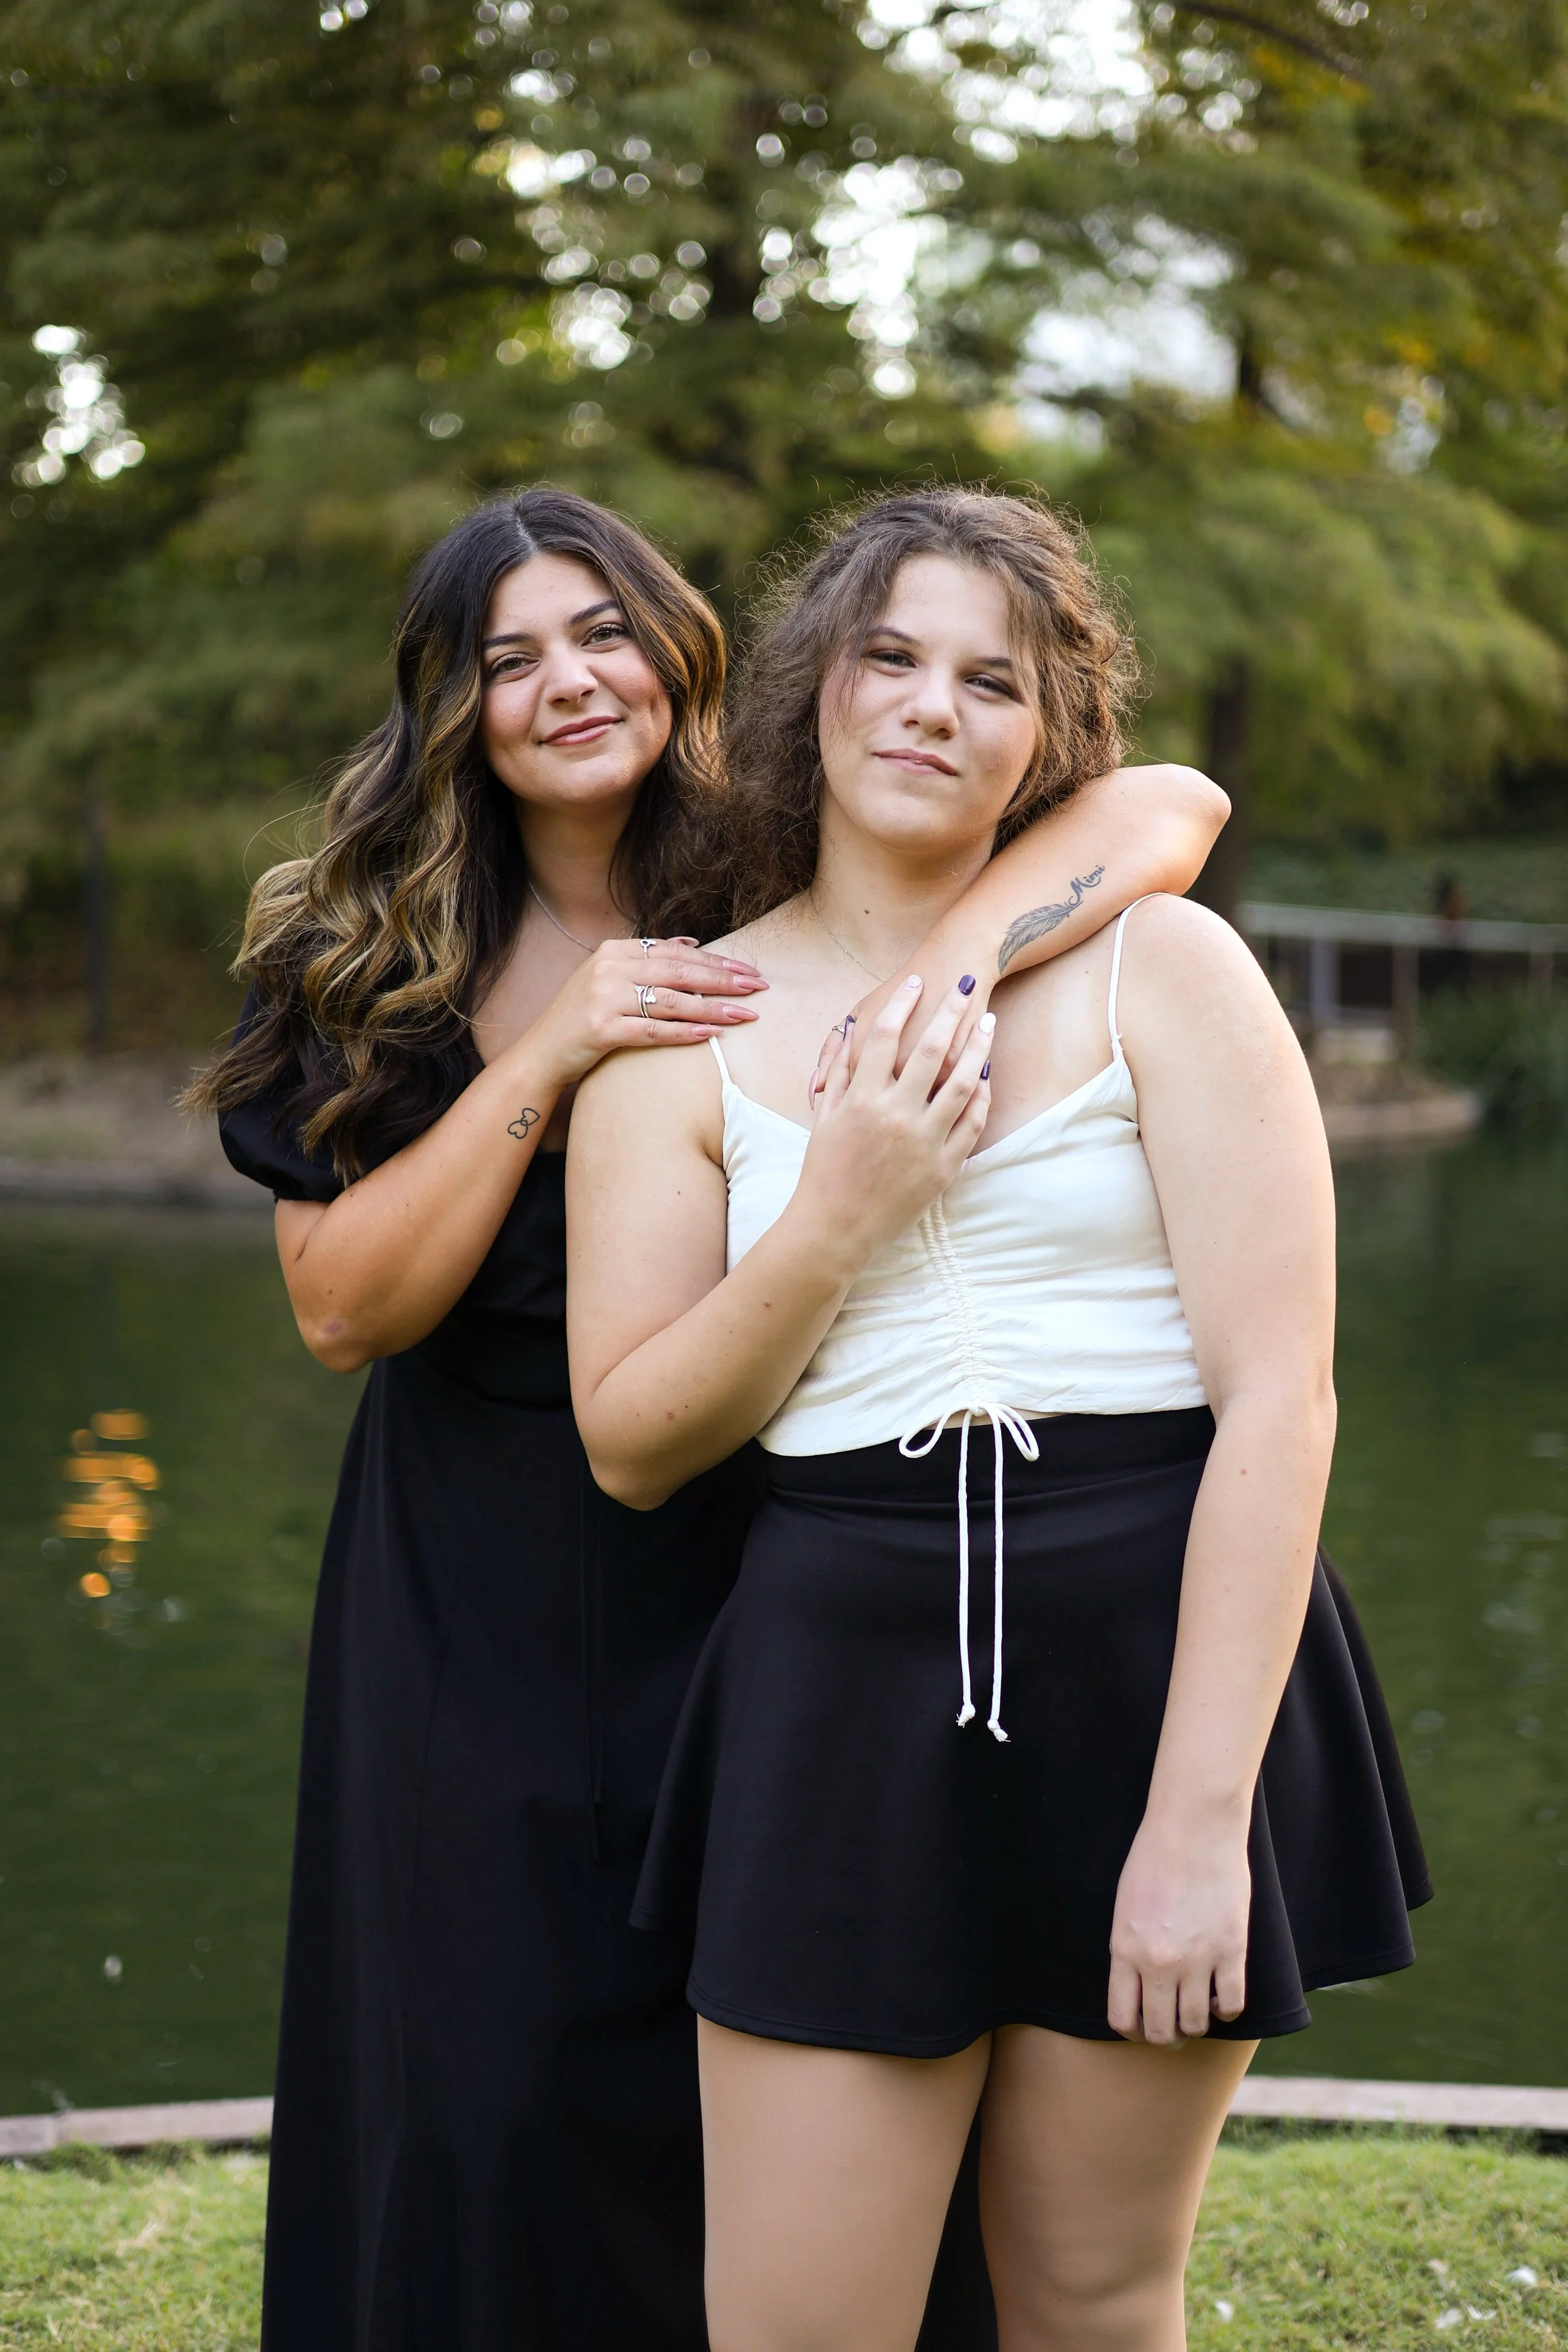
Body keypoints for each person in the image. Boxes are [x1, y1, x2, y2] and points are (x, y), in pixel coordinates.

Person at [189, 484, 1226, 2352]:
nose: (569, 682)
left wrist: (949, 971)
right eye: (510, 657)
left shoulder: (770, 842)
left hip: (776, 1558)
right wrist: (562, 1042)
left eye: (604, 631)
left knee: (794, 2069)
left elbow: (1166, 807)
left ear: (680, 647)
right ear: (450, 705)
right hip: (484, 1581)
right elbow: (342, 1307)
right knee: (489, 2073)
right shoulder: (367, 945)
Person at [568, 487, 1431, 2352]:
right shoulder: (690, 1035)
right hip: (835, 1694)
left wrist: (1198, 1822)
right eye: (889, 655)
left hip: (1157, 1672)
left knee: (1096, 2300)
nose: (930, 707)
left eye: (992, 680)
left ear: (1051, 735)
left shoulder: (1164, 971)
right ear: (812, 685)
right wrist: (840, 1207)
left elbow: (1279, 1401)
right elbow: (630, 1439)